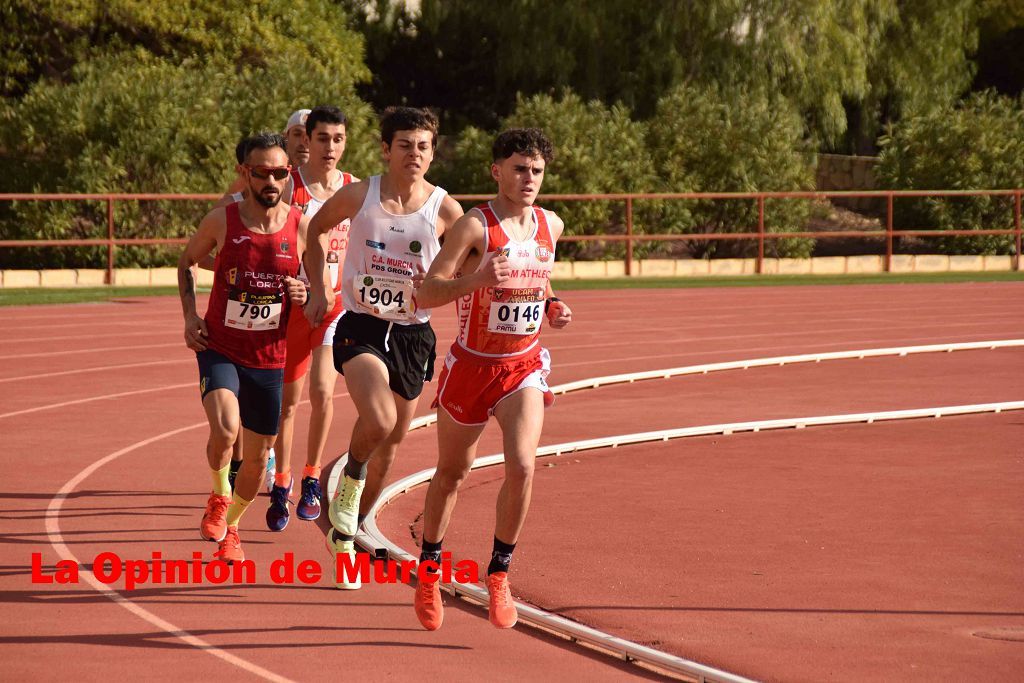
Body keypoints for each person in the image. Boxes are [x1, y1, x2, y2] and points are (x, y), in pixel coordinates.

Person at [410, 128, 572, 630]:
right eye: (519, 168)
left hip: (522, 366)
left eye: (537, 171)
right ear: (496, 171)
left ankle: (499, 572)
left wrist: (552, 306)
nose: (528, 179)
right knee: (452, 474)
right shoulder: (475, 227)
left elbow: (538, 280)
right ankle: (430, 567)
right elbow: (426, 292)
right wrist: (477, 280)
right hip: (471, 366)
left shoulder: (552, 225)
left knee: (523, 465)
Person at [304, 107, 464, 588]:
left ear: (432, 152)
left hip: (413, 336)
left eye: (423, 146)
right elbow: (313, 231)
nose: (414, 154)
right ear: (385, 149)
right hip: (362, 327)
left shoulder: (446, 209)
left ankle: (345, 538)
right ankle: (349, 481)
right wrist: (319, 286)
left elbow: (482, 255)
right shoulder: (361, 194)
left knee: (392, 447)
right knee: (380, 421)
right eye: (405, 145)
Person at [177, 132, 310, 563]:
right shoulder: (222, 220)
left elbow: (319, 291)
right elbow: (187, 263)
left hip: (269, 359)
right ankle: (218, 497)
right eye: (262, 173)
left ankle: (232, 525)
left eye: (280, 173)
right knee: (225, 427)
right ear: (244, 174)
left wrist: (304, 292)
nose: (272, 181)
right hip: (220, 346)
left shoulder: (301, 226)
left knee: (257, 460)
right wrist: (190, 317)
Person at [266, 105, 358, 531]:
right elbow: (273, 243)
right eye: (322, 139)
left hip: (334, 307)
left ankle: (311, 479)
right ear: (308, 140)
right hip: (294, 309)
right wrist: (294, 284)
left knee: (324, 392)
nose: (330, 148)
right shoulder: (291, 188)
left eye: (338, 140)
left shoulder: (355, 189)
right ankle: (280, 484)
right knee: (288, 406)